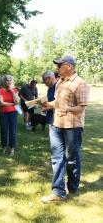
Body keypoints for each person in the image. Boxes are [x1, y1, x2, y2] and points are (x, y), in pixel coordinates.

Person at [41, 56, 89, 203]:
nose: (57, 68)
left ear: (69, 66)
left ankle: (73, 187)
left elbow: (81, 107)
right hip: (56, 124)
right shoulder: (59, 82)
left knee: (72, 159)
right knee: (57, 158)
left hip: (72, 127)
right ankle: (58, 191)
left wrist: (66, 108)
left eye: (59, 66)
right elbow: (57, 102)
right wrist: (47, 104)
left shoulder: (80, 83)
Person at [0, 75, 20, 156]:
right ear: (4, 81)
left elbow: (17, 102)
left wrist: (12, 91)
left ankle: (12, 149)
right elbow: (2, 103)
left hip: (13, 113)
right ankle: (4, 147)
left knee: (12, 131)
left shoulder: (14, 90)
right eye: (7, 80)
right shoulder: (1, 90)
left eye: (10, 80)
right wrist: (12, 104)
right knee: (3, 130)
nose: (9, 82)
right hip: (3, 113)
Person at [41, 70, 57, 165]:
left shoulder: (57, 87)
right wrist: (44, 106)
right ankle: (54, 159)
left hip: (56, 118)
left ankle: (54, 160)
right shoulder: (50, 87)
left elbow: (58, 103)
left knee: (56, 142)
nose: (44, 83)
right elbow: (49, 100)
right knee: (54, 141)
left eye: (44, 80)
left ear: (49, 78)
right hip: (50, 116)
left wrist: (47, 107)